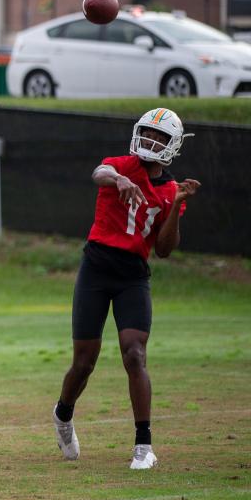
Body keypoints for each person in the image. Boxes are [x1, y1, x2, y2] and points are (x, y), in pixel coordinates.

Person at [52, 108, 199, 470]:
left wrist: (177, 205)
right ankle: (63, 414)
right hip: (97, 268)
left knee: (134, 354)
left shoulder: (169, 190)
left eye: (158, 138)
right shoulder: (119, 165)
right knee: (84, 362)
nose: (149, 142)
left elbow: (163, 250)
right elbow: (99, 172)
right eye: (146, 134)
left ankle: (143, 445)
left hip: (133, 274)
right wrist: (118, 180)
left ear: (172, 146)